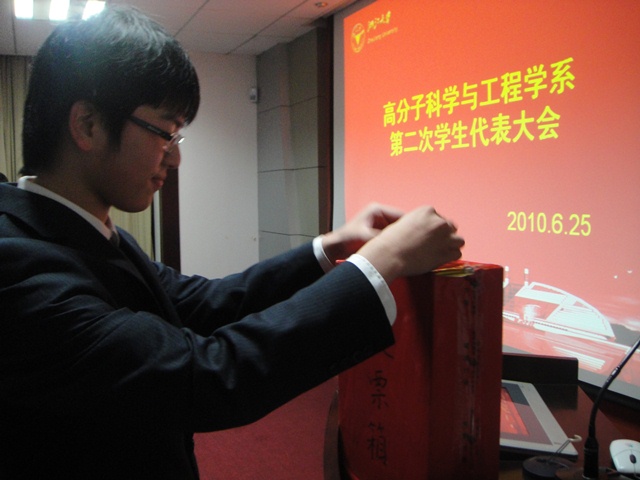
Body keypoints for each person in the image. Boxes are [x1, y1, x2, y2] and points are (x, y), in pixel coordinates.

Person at [0, 7, 464, 479]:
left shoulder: (83, 232)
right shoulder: (17, 267)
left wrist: (330, 246)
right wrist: (380, 263)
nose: (174, 158)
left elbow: (206, 302)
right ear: (88, 125)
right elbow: (208, 376)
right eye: (165, 132)